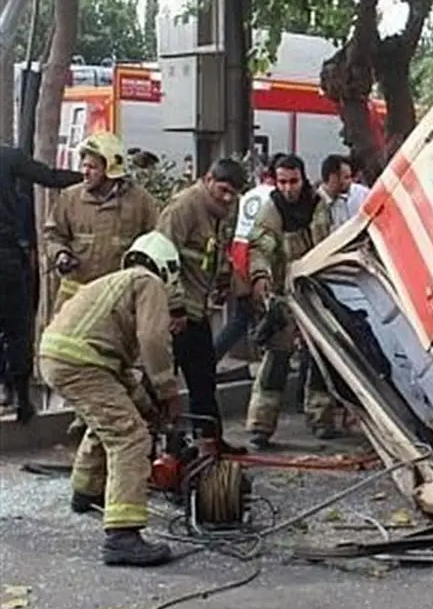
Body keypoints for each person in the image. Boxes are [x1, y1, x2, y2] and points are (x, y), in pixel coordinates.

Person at [37, 231, 183, 567]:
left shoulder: (116, 283)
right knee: (129, 435)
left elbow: (122, 374)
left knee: (108, 419)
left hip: (62, 356)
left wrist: (148, 408)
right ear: (167, 268)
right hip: (82, 362)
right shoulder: (149, 283)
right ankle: (122, 536)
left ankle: (86, 491)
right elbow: (153, 341)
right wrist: (168, 392)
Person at [245, 154, 338, 447]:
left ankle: (321, 419)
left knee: (321, 358)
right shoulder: (271, 209)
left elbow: (328, 243)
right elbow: (260, 246)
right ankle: (261, 425)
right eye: (282, 182)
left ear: (303, 178)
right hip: (283, 295)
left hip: (315, 292)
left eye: (293, 181)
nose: (288, 188)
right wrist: (260, 276)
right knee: (276, 360)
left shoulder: (318, 205)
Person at [157, 157, 248, 454]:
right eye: (223, 190)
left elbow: (211, 253)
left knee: (204, 378)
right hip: (176, 312)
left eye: (233, 193)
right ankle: (160, 447)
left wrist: (222, 280)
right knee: (164, 383)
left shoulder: (219, 211)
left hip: (198, 308)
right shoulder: (184, 208)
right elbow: (162, 257)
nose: (227, 198)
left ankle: (209, 441)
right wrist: (174, 308)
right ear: (208, 179)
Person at [0, 145, 84, 421]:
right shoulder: (7, 156)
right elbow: (50, 177)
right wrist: (88, 175)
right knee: (17, 328)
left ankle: (6, 390)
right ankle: (22, 399)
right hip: (6, 255)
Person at [44, 132, 159, 315]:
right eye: (84, 165)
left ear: (111, 170)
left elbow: (155, 245)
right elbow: (53, 235)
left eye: (92, 167)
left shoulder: (140, 202)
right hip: (75, 299)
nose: (85, 172)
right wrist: (61, 254)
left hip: (118, 301)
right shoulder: (70, 198)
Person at [213, 153, 285, 362]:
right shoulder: (275, 198)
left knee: (246, 313)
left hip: (239, 251)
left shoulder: (249, 194)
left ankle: (256, 358)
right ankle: (213, 357)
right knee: (247, 316)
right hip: (257, 254)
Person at [319, 153, 368, 228]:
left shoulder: (362, 194)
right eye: (346, 177)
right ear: (333, 178)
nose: (350, 181)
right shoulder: (316, 204)